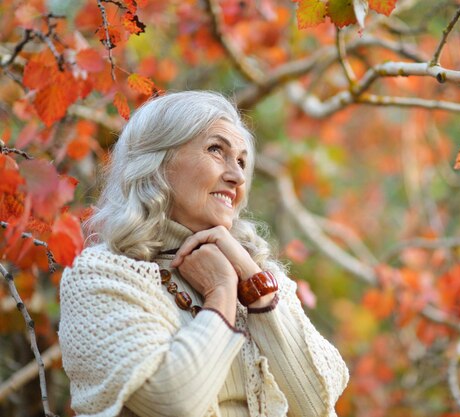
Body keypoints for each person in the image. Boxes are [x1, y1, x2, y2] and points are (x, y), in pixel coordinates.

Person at [58, 91, 350, 417]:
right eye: (216, 150)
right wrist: (222, 294)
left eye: (241, 161)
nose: (237, 176)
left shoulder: (264, 280)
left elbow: (318, 404)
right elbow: (171, 402)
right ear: (159, 161)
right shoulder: (100, 276)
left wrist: (257, 291)